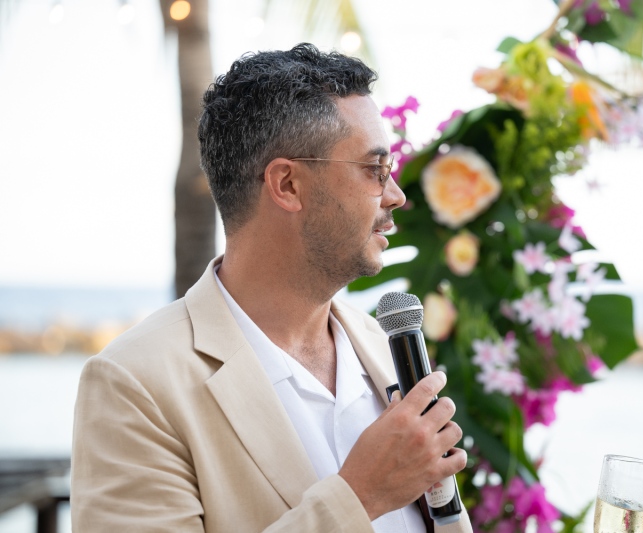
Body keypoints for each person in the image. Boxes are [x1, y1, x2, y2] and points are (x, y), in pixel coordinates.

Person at [71, 43, 471, 532]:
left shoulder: (383, 348)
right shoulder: (135, 384)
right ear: (287, 185)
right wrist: (358, 496)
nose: (396, 195)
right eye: (374, 170)